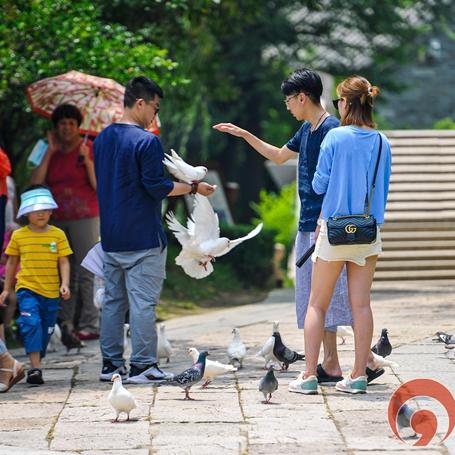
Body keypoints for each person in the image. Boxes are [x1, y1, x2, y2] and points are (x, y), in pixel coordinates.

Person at [93, 76, 216, 383]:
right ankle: (142, 366)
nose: (155, 116)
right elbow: (156, 187)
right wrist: (194, 188)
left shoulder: (102, 139)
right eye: (154, 108)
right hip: (142, 237)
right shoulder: (147, 142)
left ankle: (110, 365)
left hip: (110, 235)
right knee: (143, 304)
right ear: (140, 103)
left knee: (112, 302)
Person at [301, 75, 392, 395]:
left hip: (333, 230)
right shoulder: (382, 141)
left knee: (317, 305)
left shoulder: (335, 138)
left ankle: (310, 375)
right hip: (368, 232)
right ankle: (357, 376)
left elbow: (318, 185)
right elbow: (381, 192)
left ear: (346, 103)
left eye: (339, 100)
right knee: (361, 305)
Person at [30, 104, 99, 342]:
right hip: (57, 219)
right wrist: (50, 152)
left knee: (86, 268)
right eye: (62, 123)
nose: (67, 127)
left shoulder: (88, 148)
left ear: (79, 127)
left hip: (85, 217)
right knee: (61, 271)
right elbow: (35, 182)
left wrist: (87, 162)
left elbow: (99, 187)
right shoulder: (47, 149)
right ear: (55, 128)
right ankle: (65, 323)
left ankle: (89, 323)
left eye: (71, 123)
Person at [0, 185, 73, 385]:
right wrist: (7, 289)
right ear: (26, 212)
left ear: (51, 211)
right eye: (35, 210)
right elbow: (12, 262)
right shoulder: (19, 236)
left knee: (46, 331)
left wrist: (64, 284)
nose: (41, 213)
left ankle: (36, 357)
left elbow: (64, 261)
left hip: (51, 292)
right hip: (27, 289)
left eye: (45, 209)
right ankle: (35, 369)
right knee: (32, 324)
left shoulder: (57, 234)